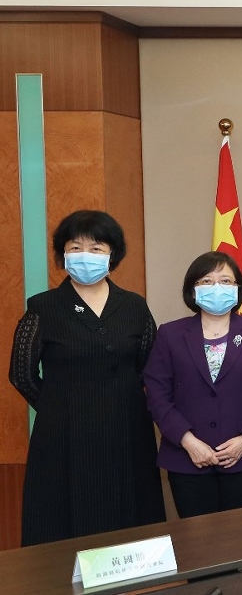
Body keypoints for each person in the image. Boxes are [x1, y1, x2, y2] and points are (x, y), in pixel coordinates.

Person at [8, 210, 165, 545]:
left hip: (127, 428)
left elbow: (150, 366)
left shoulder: (134, 306)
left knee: (130, 514)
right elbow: (21, 373)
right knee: (63, 518)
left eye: (96, 248)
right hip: (63, 433)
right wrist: (58, 406)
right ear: (62, 254)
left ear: (112, 255)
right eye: (75, 248)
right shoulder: (44, 307)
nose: (85, 256)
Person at [144, 251, 242, 518]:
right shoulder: (170, 333)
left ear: (238, 288)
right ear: (193, 289)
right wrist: (188, 441)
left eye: (225, 281)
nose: (216, 287)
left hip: (241, 457)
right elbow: (157, 394)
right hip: (185, 458)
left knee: (240, 537)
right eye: (206, 281)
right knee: (196, 538)